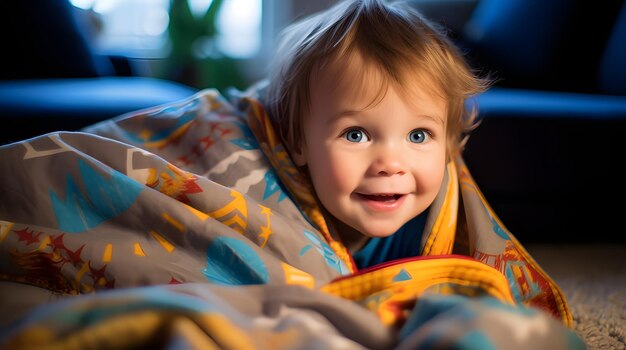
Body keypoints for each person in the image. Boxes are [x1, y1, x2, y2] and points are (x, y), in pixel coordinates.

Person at [265, 0, 488, 269]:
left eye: (418, 135)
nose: (390, 165)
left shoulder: (435, 232)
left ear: (449, 147)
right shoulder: (279, 224)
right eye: (355, 135)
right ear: (297, 142)